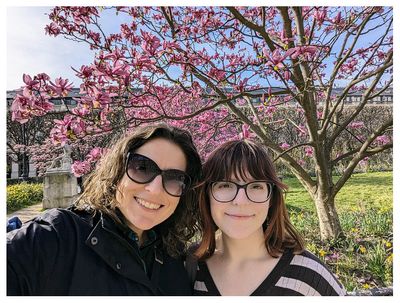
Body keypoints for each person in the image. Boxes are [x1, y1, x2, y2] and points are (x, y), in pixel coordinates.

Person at [7, 123, 202, 295]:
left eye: (175, 178)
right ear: (117, 172)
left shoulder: (175, 258)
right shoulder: (58, 236)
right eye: (142, 168)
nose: (155, 189)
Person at [190, 139, 346, 296]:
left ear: (271, 198)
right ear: (206, 195)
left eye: (256, 186)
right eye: (225, 185)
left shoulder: (309, 275)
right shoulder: (191, 266)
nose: (240, 201)